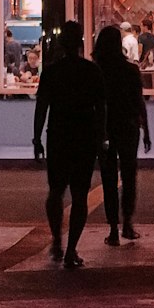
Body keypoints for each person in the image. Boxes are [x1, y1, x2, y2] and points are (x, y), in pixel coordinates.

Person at [33, 21, 106, 269]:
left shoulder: (52, 72)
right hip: (83, 136)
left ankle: (57, 239)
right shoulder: (91, 71)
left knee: (55, 191)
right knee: (79, 195)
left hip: (58, 135)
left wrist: (36, 138)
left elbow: (41, 106)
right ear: (81, 43)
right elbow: (101, 108)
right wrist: (100, 137)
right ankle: (71, 248)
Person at [93, 25, 150, 246]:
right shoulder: (130, 70)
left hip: (106, 128)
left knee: (108, 179)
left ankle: (113, 229)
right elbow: (138, 101)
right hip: (128, 126)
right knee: (128, 176)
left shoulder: (98, 71)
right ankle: (127, 223)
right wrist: (146, 129)